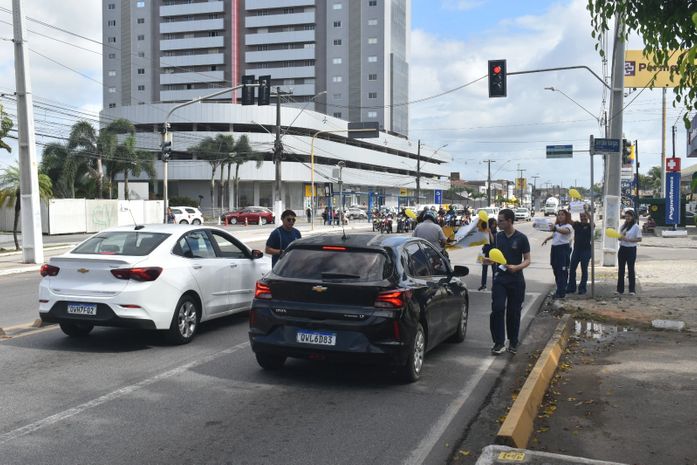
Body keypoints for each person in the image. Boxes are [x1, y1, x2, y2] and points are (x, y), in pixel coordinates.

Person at [485, 208, 530, 355]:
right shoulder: (498, 237)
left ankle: (513, 342)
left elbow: (528, 260)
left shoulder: (521, 238)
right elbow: (494, 257)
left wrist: (516, 267)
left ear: (510, 221)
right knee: (497, 309)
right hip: (500, 279)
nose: (498, 223)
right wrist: (487, 261)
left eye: (501, 221)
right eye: (498, 220)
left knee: (513, 312)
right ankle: (498, 342)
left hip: (516, 280)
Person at [541, 210, 573, 299]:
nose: (560, 216)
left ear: (567, 216)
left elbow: (564, 231)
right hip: (555, 249)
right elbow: (555, 234)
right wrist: (547, 238)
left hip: (563, 249)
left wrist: (555, 228)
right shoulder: (558, 226)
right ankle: (559, 289)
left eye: (562, 215)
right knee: (556, 270)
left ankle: (561, 292)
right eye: (559, 215)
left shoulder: (568, 226)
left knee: (562, 271)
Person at [566, 210, 593, 295]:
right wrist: (570, 209)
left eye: (584, 216)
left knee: (584, 270)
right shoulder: (577, 224)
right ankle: (571, 287)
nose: (583, 218)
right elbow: (569, 220)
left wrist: (586, 211)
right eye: (581, 216)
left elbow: (592, 220)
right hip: (576, 250)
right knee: (572, 268)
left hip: (586, 250)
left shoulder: (589, 226)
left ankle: (582, 288)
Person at [617, 209, 642, 295]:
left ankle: (632, 290)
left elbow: (639, 239)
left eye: (629, 216)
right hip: (622, 248)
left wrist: (629, 240)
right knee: (621, 270)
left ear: (632, 217)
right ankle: (620, 289)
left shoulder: (636, 227)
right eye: (626, 216)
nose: (627, 218)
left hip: (631, 249)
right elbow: (619, 237)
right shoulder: (623, 226)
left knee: (631, 269)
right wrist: (621, 237)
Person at [478, 218, 498, 291]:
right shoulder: (486, 231)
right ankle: (483, 285)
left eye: (495, 224)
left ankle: (494, 286)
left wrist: (489, 232)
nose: (494, 225)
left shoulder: (496, 232)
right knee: (484, 269)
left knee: (494, 270)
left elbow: (492, 241)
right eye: (492, 224)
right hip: (486, 252)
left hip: (493, 253)